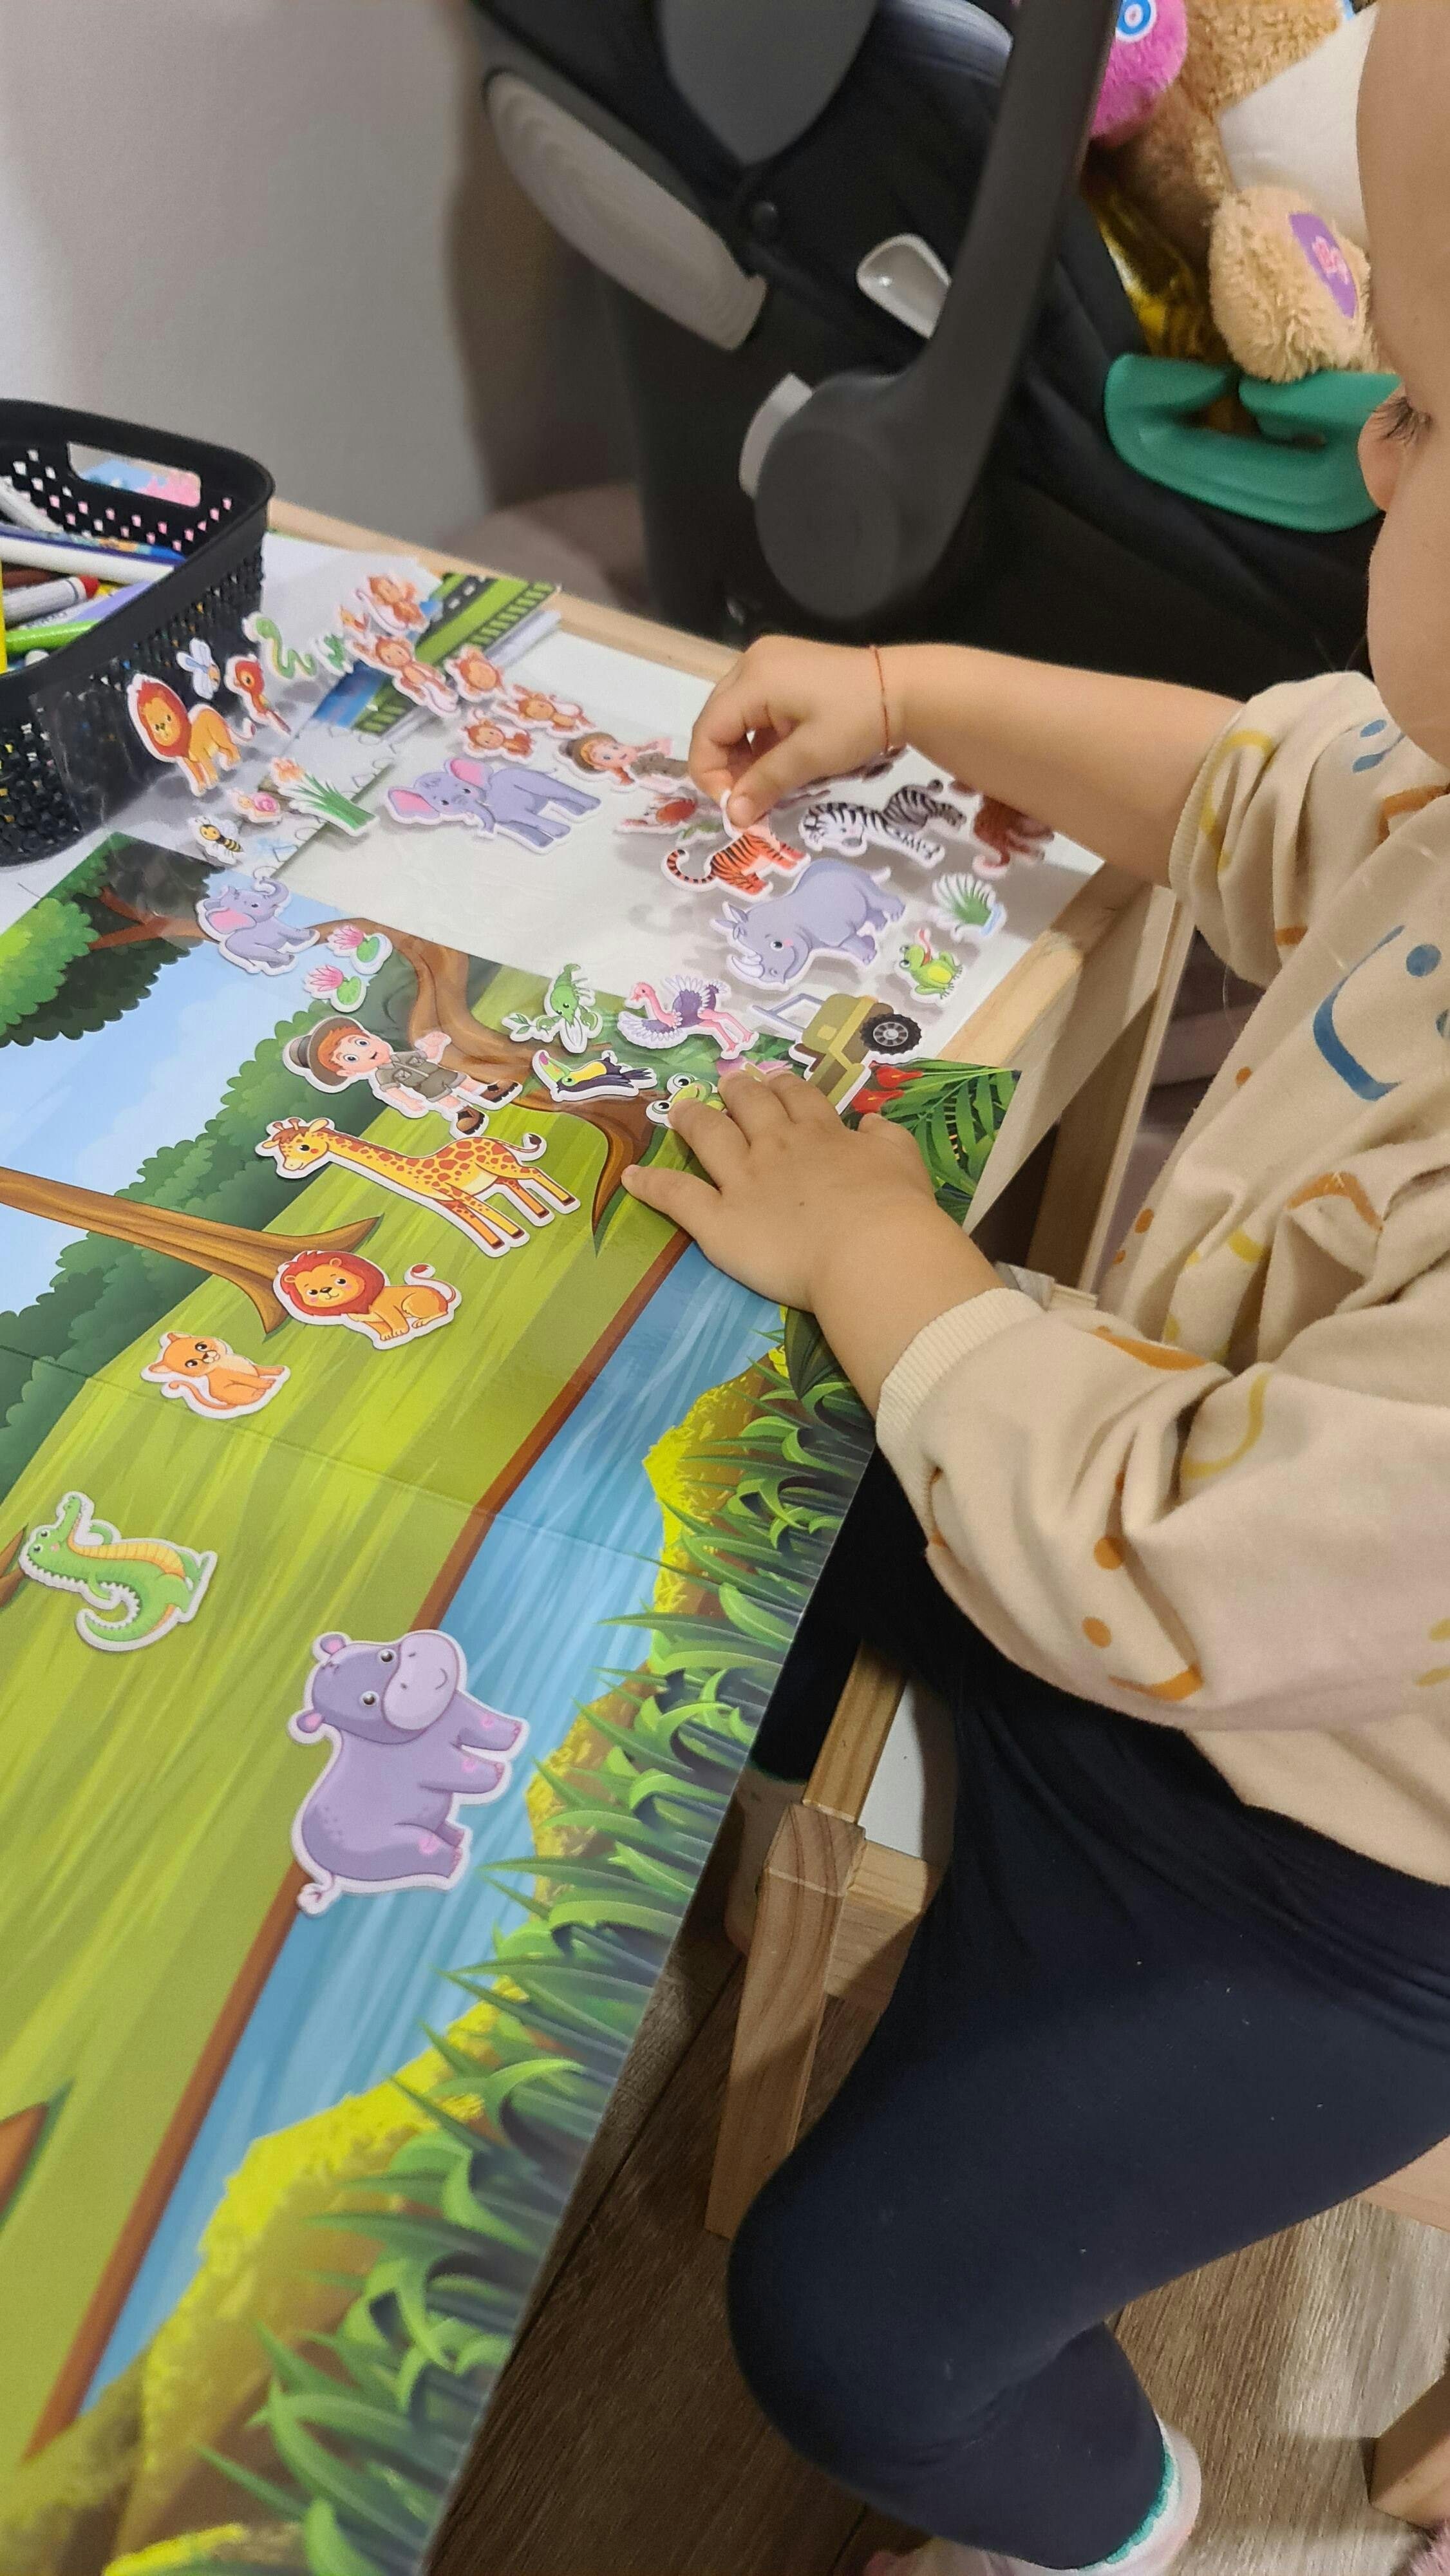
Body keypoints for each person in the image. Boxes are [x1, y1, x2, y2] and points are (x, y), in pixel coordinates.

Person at [620, 10, 1450, 2568]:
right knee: (691, 1480)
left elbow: (1167, 1561)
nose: (1369, 450)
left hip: (1334, 1877)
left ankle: (1117, 2523)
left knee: (857, 2328)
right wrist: (913, 692)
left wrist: (889, 1245)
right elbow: (1254, 787)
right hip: (1145, 1556)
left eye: (1423, 412)